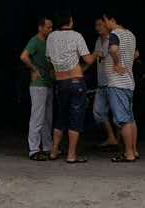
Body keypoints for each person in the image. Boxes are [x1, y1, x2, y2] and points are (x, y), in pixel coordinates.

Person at [46, 10, 98, 164]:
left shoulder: (51, 37)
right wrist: (97, 53)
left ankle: (54, 151)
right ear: (70, 21)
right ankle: (71, 155)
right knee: (76, 118)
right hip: (76, 81)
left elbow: (49, 59)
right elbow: (88, 60)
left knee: (61, 116)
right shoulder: (76, 36)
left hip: (60, 82)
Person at [100, 11, 139, 163]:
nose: (104, 24)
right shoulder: (131, 35)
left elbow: (113, 49)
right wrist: (126, 63)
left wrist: (116, 63)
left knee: (123, 120)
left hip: (117, 83)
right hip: (129, 82)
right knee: (130, 119)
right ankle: (134, 151)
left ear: (112, 19)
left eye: (105, 20)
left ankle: (128, 154)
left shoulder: (114, 34)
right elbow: (136, 54)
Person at [19, 16, 54, 161]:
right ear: (40, 27)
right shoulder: (35, 41)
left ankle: (47, 147)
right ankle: (34, 149)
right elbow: (24, 56)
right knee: (38, 118)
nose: (51, 29)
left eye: (51, 27)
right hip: (38, 85)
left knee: (47, 118)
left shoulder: (48, 42)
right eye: (48, 27)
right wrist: (34, 69)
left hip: (48, 83)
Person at [91, 16, 120, 151]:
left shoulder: (114, 38)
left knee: (117, 114)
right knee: (98, 112)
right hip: (101, 82)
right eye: (96, 25)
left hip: (114, 81)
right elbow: (95, 57)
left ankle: (119, 141)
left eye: (100, 24)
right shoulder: (98, 40)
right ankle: (111, 137)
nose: (98, 27)